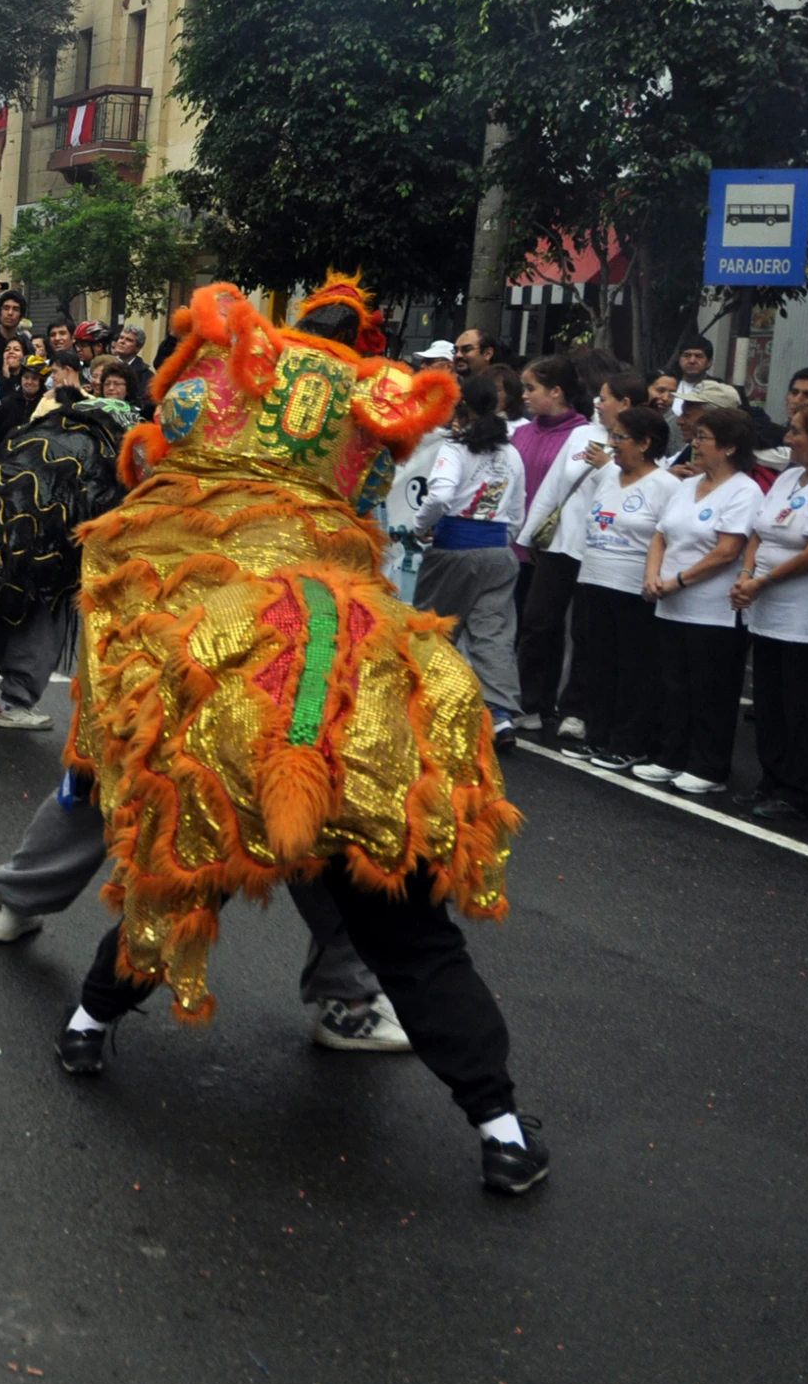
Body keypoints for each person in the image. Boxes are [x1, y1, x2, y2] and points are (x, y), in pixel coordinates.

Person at [61, 277, 539, 1194]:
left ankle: (88, 1026)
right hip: (353, 654)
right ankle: (501, 1126)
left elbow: (111, 602)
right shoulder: (363, 401)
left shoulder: (187, 452)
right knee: (409, 931)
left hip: (232, 643)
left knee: (174, 865)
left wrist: (96, 754)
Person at [0, 349, 132, 732]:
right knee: (41, 618)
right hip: (46, 551)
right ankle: (13, 700)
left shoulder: (42, 430)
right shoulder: (97, 447)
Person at [731, 399, 808, 820]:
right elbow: (759, 532)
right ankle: (770, 780)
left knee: (799, 705)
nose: (787, 439)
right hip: (765, 608)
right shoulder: (789, 478)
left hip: (804, 614)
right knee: (768, 701)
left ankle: (797, 791)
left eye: (796, 432)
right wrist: (747, 573)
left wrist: (762, 582)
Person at [636, 405, 762, 793]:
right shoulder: (688, 485)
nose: (694, 443)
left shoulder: (744, 490)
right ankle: (671, 757)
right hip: (671, 604)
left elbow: (727, 551)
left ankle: (709, 768)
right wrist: (652, 576)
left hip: (713, 611)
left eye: (703, 437)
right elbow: (661, 534)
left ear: (728, 447)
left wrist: (677, 581)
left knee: (711, 691)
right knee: (675, 686)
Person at [412, 372, 527, 746]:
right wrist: (499, 539)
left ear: (461, 407)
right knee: (492, 634)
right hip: (498, 550)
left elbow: (441, 495)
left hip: (456, 550)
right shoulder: (510, 451)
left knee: (435, 627)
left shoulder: (456, 447)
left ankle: (428, 701)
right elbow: (517, 509)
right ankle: (499, 714)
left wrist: (419, 525)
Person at [554, 405, 669, 771]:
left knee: (634, 669)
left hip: (634, 590)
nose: (612, 444)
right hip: (594, 581)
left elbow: (666, 539)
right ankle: (598, 736)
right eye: (612, 436)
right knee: (598, 665)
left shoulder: (666, 485)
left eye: (620, 437)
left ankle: (629, 742)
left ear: (645, 443)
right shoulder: (607, 477)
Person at [511, 355, 598, 731]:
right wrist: (522, 533)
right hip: (522, 541)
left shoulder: (582, 434)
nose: (524, 395)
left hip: (564, 545)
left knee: (563, 626)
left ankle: (564, 705)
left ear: (557, 391)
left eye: (531, 388)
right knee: (530, 625)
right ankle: (530, 701)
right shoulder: (521, 432)